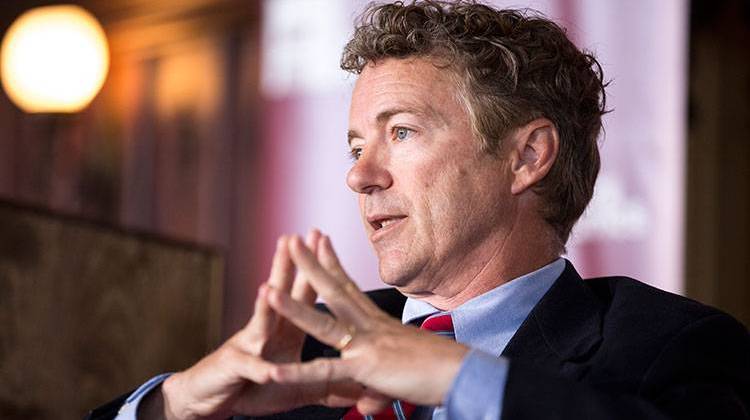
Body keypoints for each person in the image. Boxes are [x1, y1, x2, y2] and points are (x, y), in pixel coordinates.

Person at [88, 1, 750, 419]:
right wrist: (175, 405)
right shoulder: (306, 350)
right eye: (355, 145)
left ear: (527, 158)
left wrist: (447, 373)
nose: (359, 175)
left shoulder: (671, 350)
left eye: (400, 133)